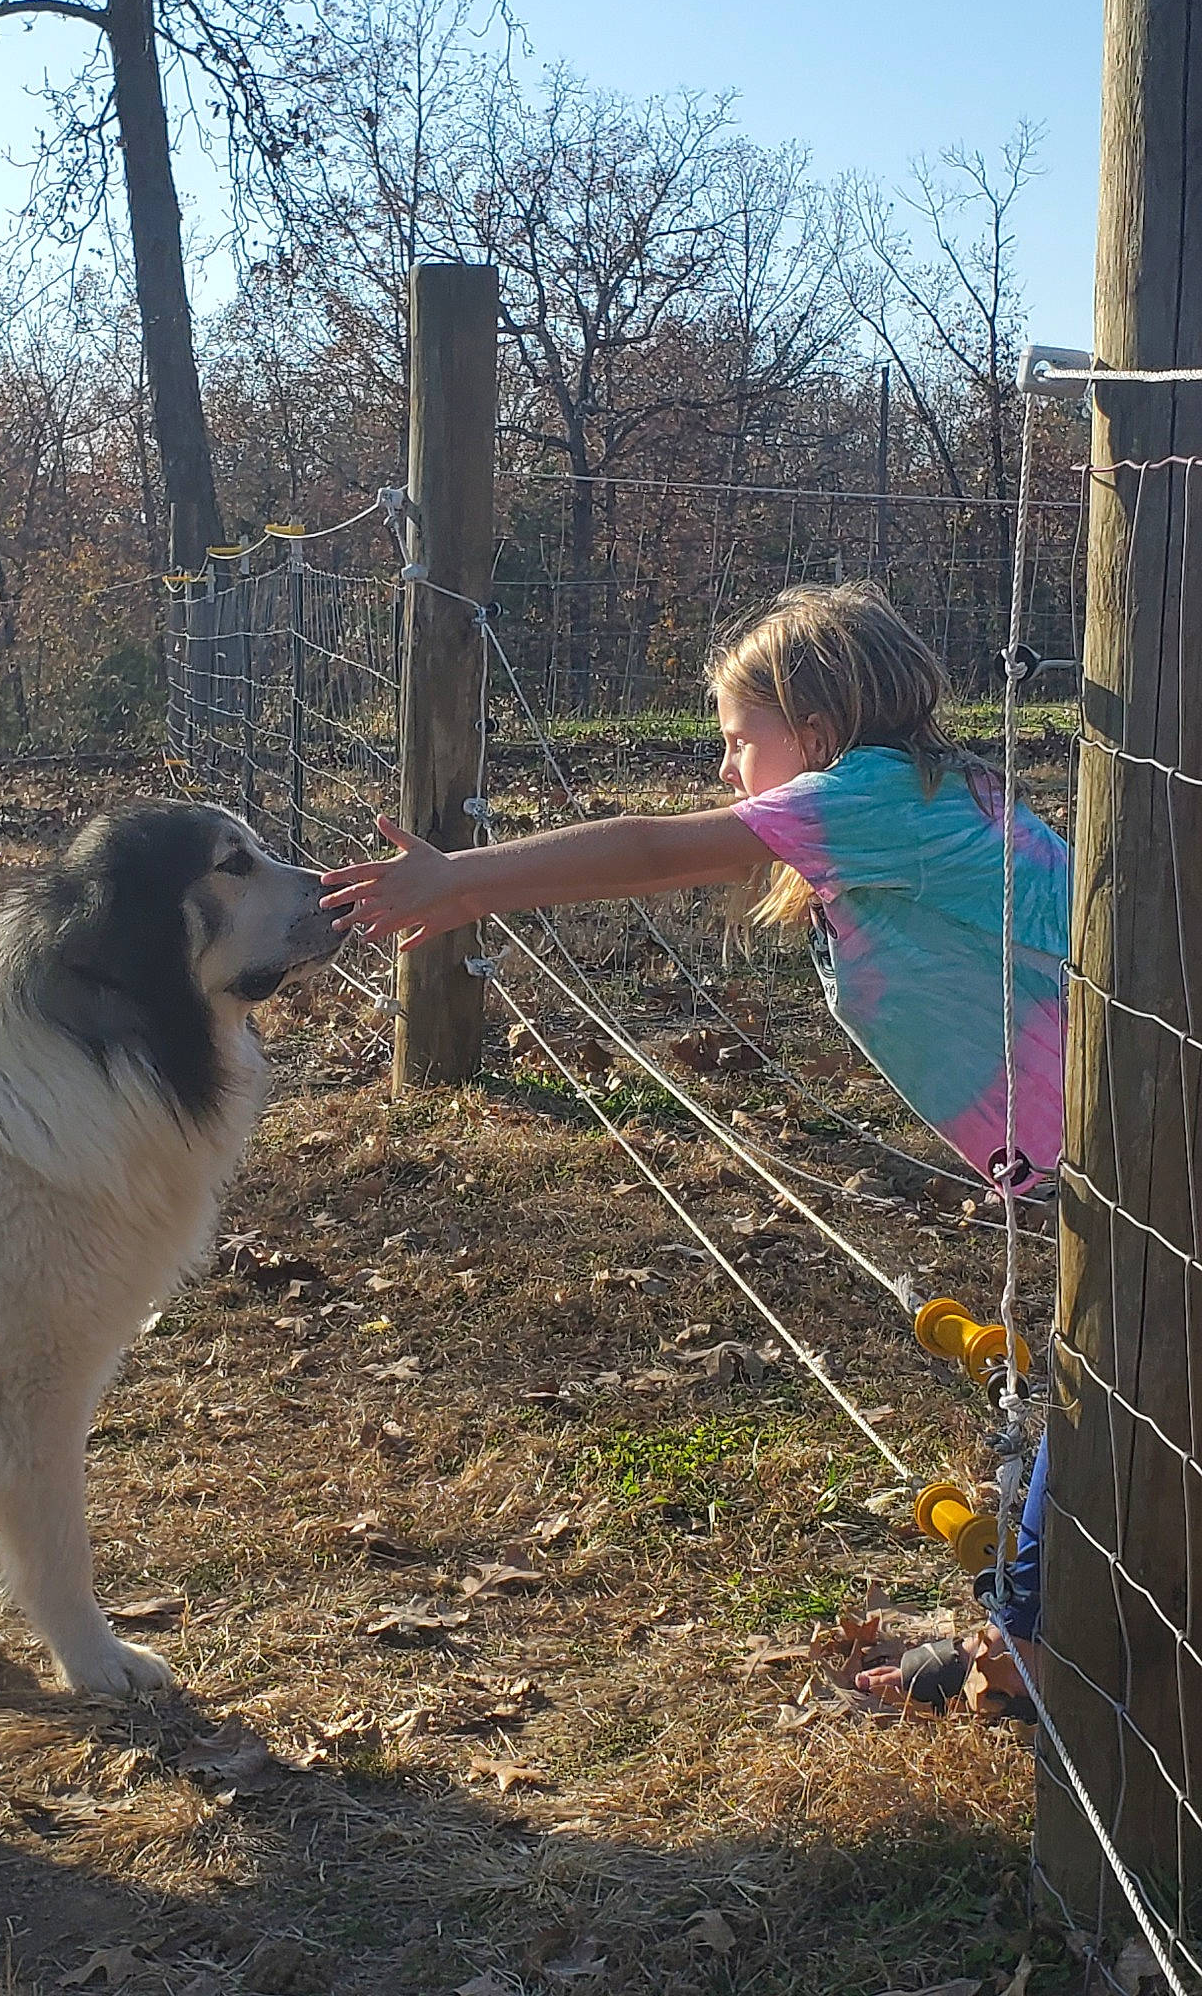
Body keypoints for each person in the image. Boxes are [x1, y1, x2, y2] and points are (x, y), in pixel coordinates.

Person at [319, 581, 1064, 1714]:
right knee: (1118, 1381)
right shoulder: (910, 805)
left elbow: (656, 851)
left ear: (815, 731)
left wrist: (461, 880)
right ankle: (1037, 1636)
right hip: (1108, 1150)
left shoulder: (875, 796)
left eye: (737, 739)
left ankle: (1036, 1648)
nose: (724, 766)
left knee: (1119, 1386)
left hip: (1145, 1137)